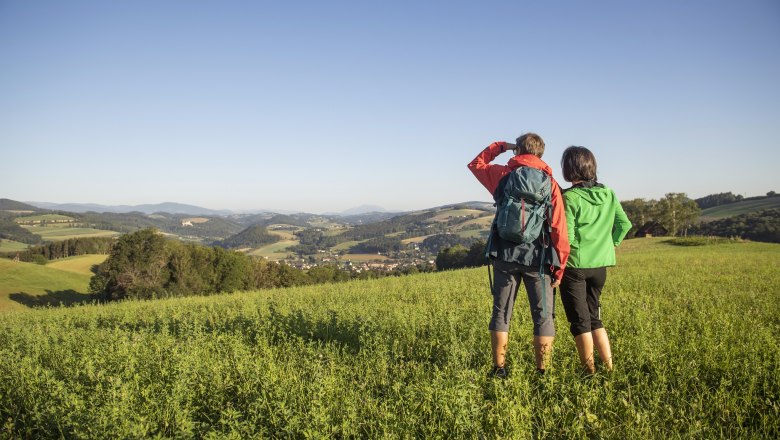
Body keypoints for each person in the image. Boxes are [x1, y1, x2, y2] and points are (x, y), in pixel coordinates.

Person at [468, 134, 570, 378]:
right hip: (539, 258)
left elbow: (476, 164)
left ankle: (499, 369)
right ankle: (542, 372)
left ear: (518, 151)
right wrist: (560, 266)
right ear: (541, 154)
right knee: (543, 316)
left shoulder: (503, 176)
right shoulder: (550, 183)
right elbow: (558, 228)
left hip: (504, 254)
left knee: (501, 313)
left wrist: (502, 147)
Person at [559, 146, 631, 374]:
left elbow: (566, 238)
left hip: (575, 267)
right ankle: (609, 369)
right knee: (595, 319)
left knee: (580, 323)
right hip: (600, 267)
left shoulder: (569, 197)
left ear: (569, 169)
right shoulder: (608, 193)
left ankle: (588, 373)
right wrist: (611, 245)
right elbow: (624, 224)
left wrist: (556, 268)